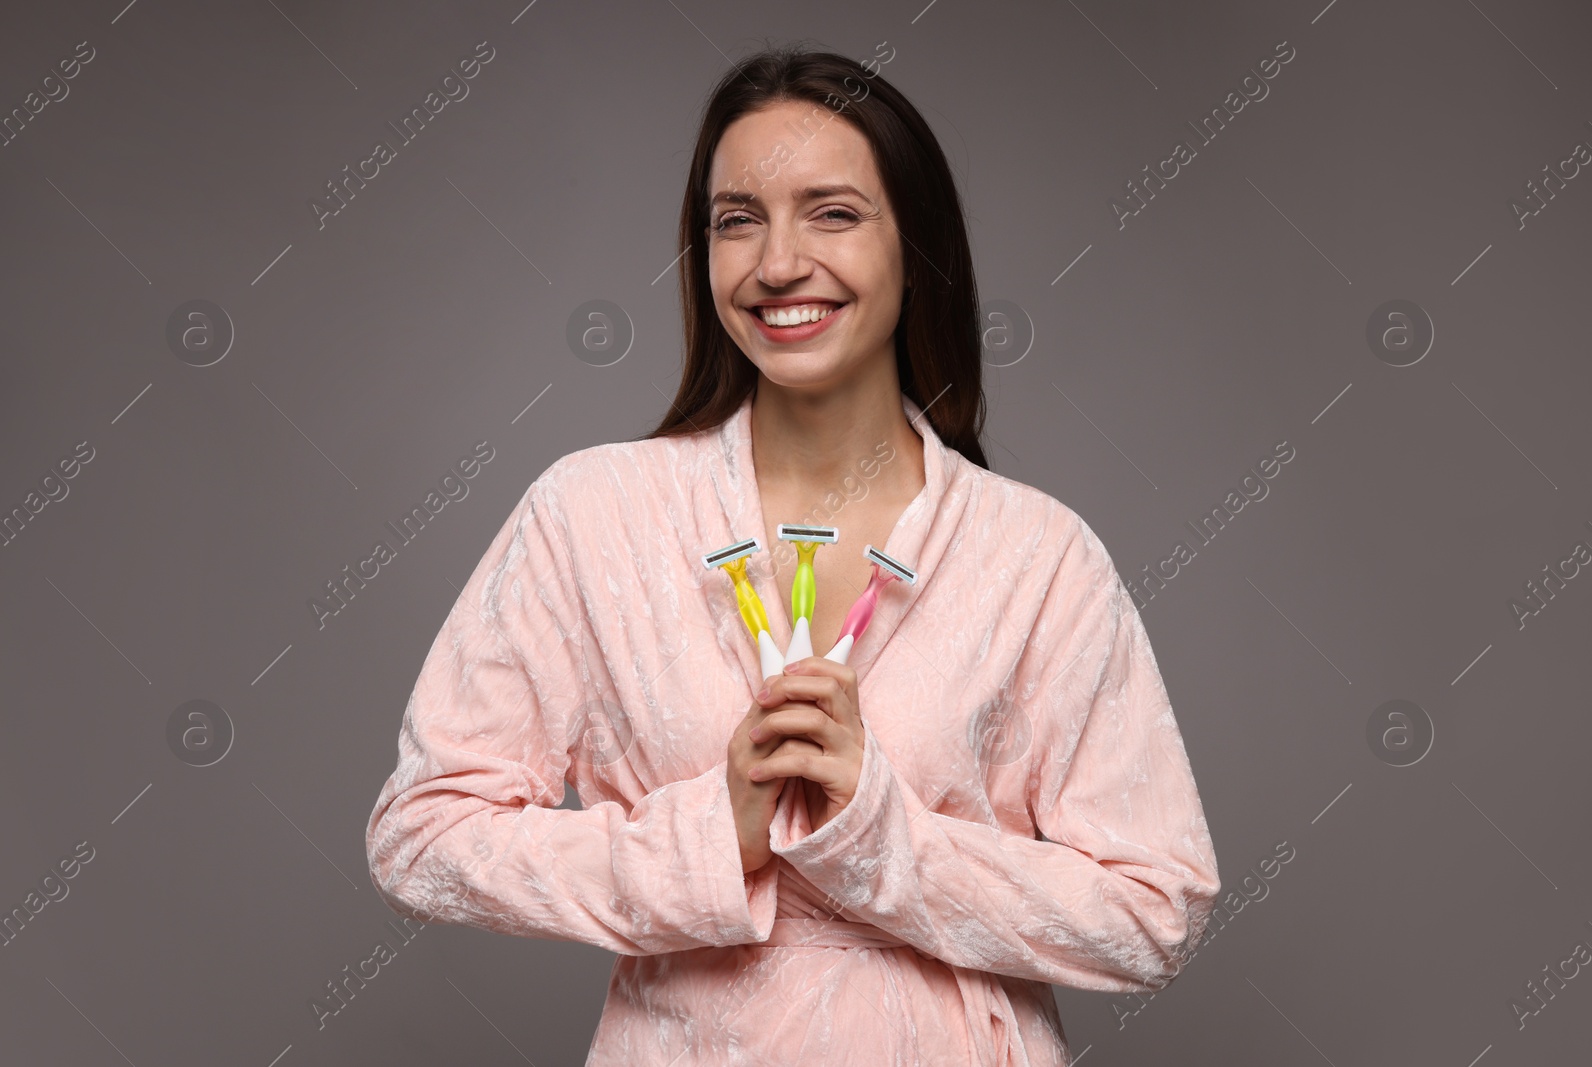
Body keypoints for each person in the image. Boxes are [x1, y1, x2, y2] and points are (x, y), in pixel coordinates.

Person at [365, 45, 1220, 1066]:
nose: (776, 263)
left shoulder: (1036, 555)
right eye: (736, 219)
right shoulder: (592, 515)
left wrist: (881, 837)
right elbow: (423, 837)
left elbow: (1151, 912)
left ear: (918, 248)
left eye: (832, 212)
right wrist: (702, 841)